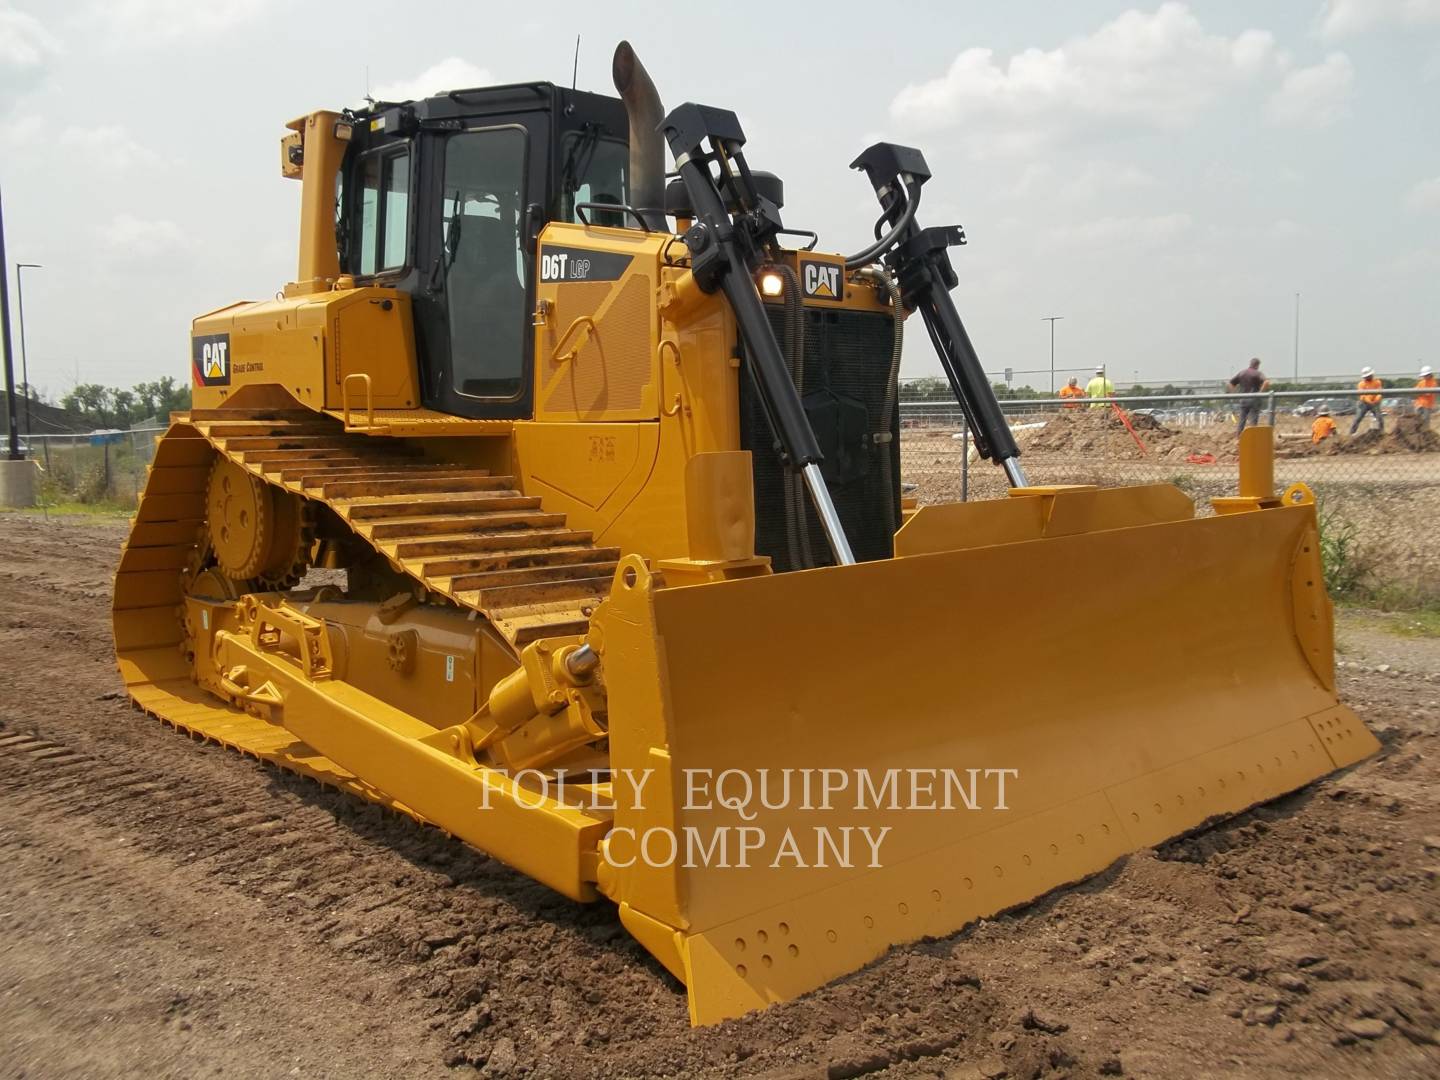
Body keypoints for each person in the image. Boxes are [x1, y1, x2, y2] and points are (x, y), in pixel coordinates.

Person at [1227, 357, 1270, 435]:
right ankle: (1252, 436)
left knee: (1242, 419)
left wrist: (1235, 394)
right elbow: (1266, 382)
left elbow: (1230, 383)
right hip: (1254, 399)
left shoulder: (1242, 373)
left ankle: (1239, 436)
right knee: (1253, 420)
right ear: (1257, 365)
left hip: (1243, 399)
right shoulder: (1257, 373)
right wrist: (1260, 393)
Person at [1351, 366, 1385, 434]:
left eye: (1369, 375)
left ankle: (1382, 432)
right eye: (1366, 376)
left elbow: (1379, 392)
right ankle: (1352, 433)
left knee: (1379, 418)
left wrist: (1376, 400)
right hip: (1364, 403)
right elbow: (1363, 395)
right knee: (1358, 418)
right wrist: (1369, 401)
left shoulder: (1377, 382)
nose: (1368, 377)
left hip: (1375, 403)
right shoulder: (1361, 384)